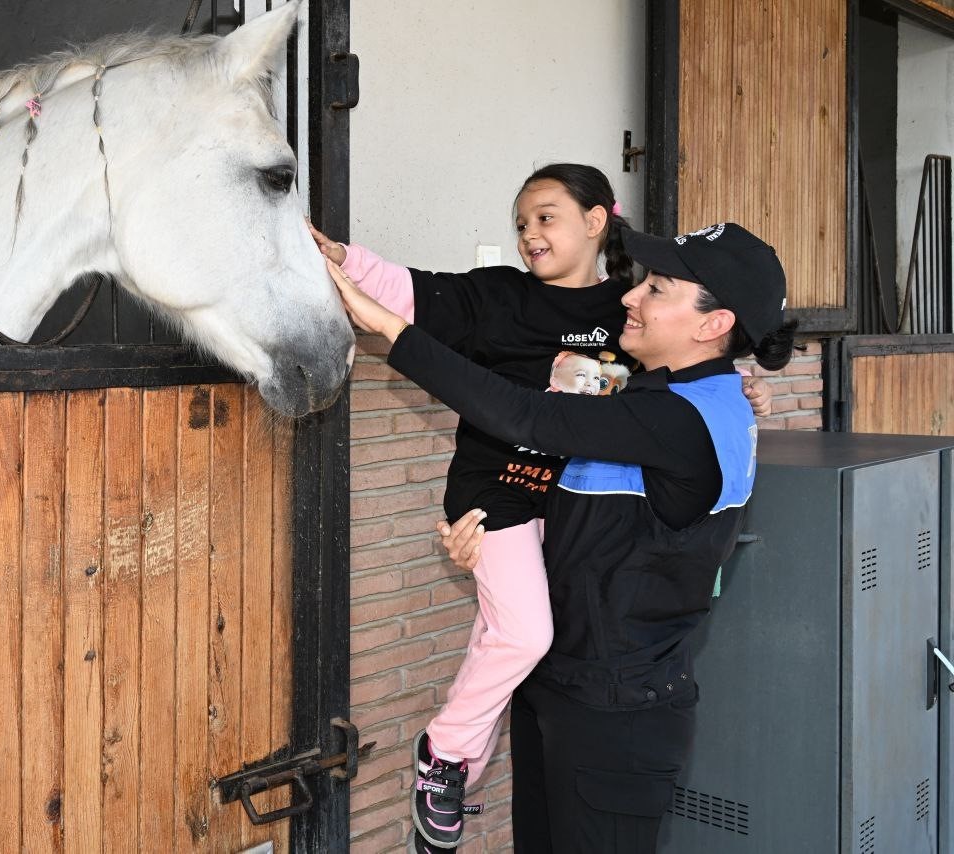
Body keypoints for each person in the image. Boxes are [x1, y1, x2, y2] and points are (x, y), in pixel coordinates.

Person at [311, 165, 770, 852]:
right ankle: (454, 754)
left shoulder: (671, 409)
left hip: (612, 703)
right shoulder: (675, 391)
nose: (635, 300)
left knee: (523, 640)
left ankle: (447, 754)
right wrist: (487, 535)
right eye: (521, 221)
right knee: (520, 639)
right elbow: (425, 292)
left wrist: (377, 322)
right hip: (562, 668)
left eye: (658, 289)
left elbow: (531, 414)